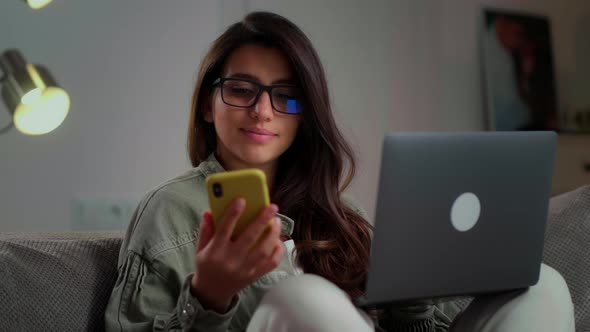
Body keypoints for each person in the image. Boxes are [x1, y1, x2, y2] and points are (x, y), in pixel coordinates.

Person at [105, 11, 575, 332]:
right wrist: (207, 299)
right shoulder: (170, 212)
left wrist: (414, 295)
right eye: (242, 89)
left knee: (542, 284)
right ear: (209, 104)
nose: (263, 110)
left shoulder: (342, 213)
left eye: (286, 96)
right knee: (303, 299)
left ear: (305, 115)